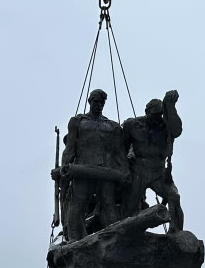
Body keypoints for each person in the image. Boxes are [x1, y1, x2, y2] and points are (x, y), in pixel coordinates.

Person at [53, 89, 129, 241]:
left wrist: (125, 170)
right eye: (96, 101)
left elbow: (119, 151)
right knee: (78, 203)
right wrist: (65, 167)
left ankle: (114, 239)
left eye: (101, 102)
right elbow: (70, 148)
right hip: (82, 170)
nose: (99, 105)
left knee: (109, 203)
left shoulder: (112, 126)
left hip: (105, 171)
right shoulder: (78, 122)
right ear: (89, 101)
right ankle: (74, 239)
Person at [121, 90, 184, 231]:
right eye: (153, 114)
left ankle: (176, 232)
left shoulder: (166, 126)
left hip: (159, 171)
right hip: (138, 170)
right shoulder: (132, 125)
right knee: (129, 207)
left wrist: (170, 105)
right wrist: (124, 168)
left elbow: (177, 131)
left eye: (160, 114)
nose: (157, 118)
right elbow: (122, 150)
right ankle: (124, 233)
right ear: (146, 111)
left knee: (174, 196)